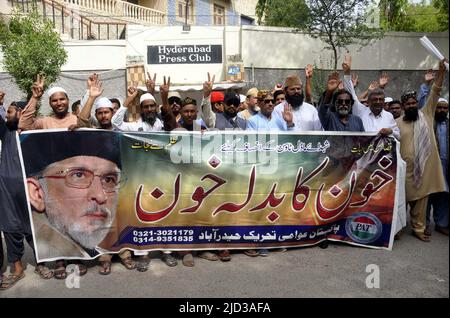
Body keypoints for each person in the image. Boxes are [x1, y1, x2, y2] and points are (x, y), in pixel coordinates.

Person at [17, 75, 86, 278]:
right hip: (51, 181)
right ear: (50, 103)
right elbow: (24, 124)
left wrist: (80, 127)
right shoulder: (44, 122)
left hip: (76, 180)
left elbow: (88, 125)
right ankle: (60, 260)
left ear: (67, 99)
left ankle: (76, 258)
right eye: (54, 100)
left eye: (62, 99)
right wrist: (34, 97)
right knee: (55, 221)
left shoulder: (75, 119)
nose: (59, 103)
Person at [22, 130, 122, 258]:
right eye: (78, 175)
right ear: (37, 193)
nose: (101, 196)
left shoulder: (79, 247)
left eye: (109, 179)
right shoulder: (49, 249)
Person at [75, 82, 137, 274]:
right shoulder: (92, 132)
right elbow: (81, 121)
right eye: (100, 113)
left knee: (122, 219)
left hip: (121, 183)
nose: (103, 116)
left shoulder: (122, 132)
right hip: (98, 186)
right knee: (102, 221)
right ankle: (105, 257)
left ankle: (125, 254)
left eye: (107, 112)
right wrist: (92, 96)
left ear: (112, 113)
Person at [0, 99, 50, 290]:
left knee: (34, 227)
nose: (7, 115)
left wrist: (36, 98)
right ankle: (17, 270)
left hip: (29, 189)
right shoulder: (6, 132)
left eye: (10, 112)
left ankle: (41, 264)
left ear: (20, 113)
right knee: (11, 229)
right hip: (6, 191)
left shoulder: (32, 134)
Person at [395, 59, 447, 242]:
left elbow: (435, 91)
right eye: (408, 104)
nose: (411, 106)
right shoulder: (396, 123)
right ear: (403, 107)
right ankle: (399, 227)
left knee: (421, 203)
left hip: (423, 169)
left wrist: (441, 73)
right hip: (404, 170)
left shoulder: (426, 114)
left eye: (413, 103)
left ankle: (418, 228)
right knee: (401, 201)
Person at [424, 97, 449, 236]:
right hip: (430, 165)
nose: (441, 110)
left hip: (446, 165)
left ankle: (441, 224)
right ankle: (425, 224)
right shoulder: (427, 123)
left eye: (445, 108)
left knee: (444, 194)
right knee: (428, 194)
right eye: (439, 107)